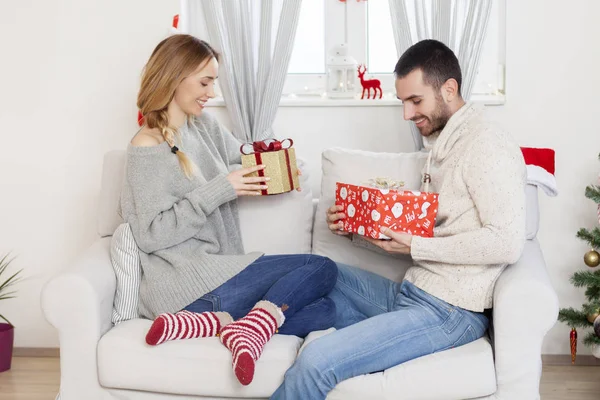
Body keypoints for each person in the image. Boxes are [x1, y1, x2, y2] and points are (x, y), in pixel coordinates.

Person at [270, 39, 526, 399]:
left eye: (415, 101)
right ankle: (225, 323)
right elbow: (425, 238)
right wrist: (354, 231)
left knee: (315, 362)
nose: (406, 114)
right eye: (403, 101)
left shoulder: (487, 144)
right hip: (413, 292)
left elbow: (507, 242)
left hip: (450, 311)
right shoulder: (442, 146)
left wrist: (418, 244)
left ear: (449, 89)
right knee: (315, 269)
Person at [120, 34, 337, 386]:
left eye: (213, 82)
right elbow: (150, 234)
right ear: (175, 76)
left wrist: (284, 169)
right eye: (205, 82)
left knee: (326, 311)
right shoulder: (146, 146)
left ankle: (217, 324)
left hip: (215, 281)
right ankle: (246, 328)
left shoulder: (201, 126)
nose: (212, 92)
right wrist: (222, 188)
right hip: (182, 284)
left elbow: (244, 159)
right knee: (320, 267)